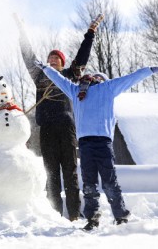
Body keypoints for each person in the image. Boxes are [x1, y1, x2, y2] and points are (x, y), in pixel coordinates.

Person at [35, 60, 158, 230]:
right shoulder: (77, 91)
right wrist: (46, 68)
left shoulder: (108, 88)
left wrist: (149, 70)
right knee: (89, 183)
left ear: (104, 81)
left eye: (100, 77)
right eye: (93, 75)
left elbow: (131, 78)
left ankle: (120, 215)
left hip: (103, 142)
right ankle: (92, 217)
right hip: (85, 144)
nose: (95, 77)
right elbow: (59, 79)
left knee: (109, 181)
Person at [13, 13, 104, 221]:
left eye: (57, 59)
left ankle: (73, 215)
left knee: (70, 173)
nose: (52, 60)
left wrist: (90, 33)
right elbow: (28, 57)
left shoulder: (70, 76)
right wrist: (22, 32)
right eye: (50, 58)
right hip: (46, 130)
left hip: (66, 128)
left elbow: (82, 56)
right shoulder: (40, 77)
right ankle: (54, 215)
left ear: (62, 64)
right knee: (51, 174)